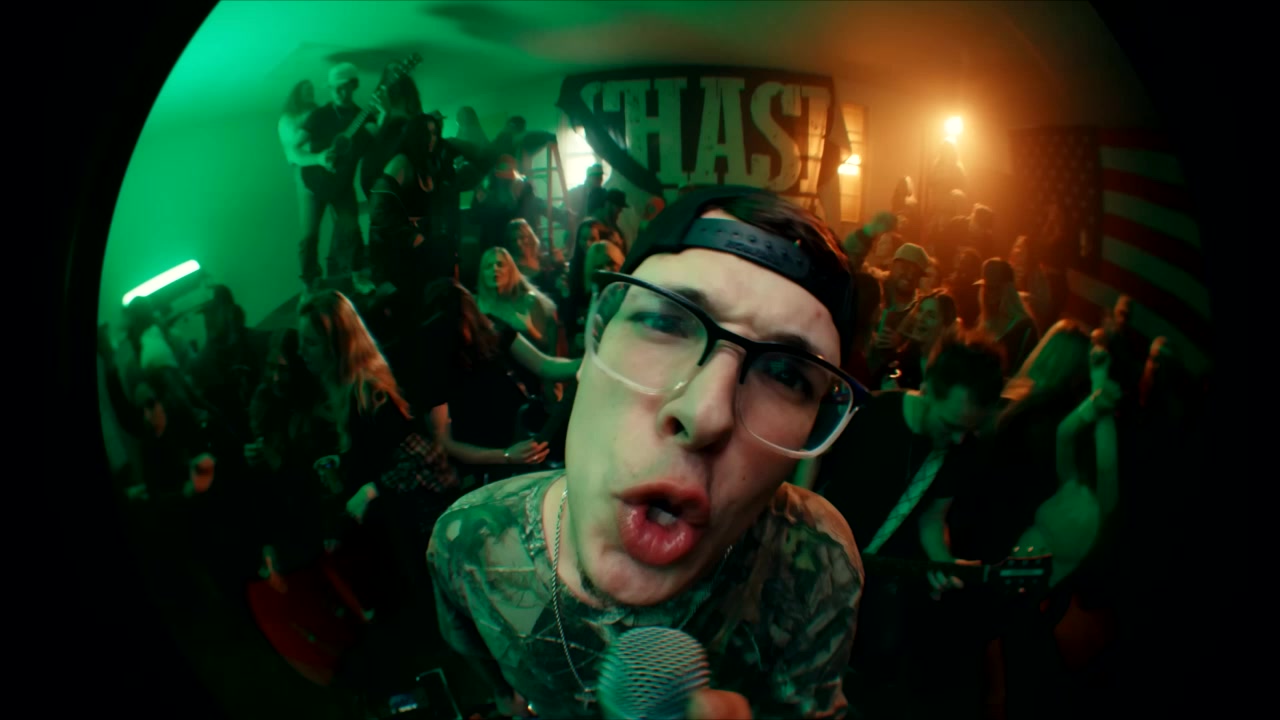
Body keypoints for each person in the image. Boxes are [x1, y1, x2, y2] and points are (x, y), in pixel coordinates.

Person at [428, 185, 867, 719]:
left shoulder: (818, 565)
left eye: (785, 375)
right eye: (664, 321)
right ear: (593, 340)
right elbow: (490, 675)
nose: (707, 413)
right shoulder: (468, 543)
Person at [294, 63, 377, 289]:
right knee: (309, 237)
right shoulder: (318, 115)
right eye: (334, 88)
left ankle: (358, 275)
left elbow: (377, 146)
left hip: (342, 186)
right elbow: (295, 150)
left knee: (351, 230)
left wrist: (384, 116)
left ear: (354, 85)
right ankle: (310, 285)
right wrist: (318, 158)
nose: (339, 92)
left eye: (344, 87)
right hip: (313, 184)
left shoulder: (365, 118)